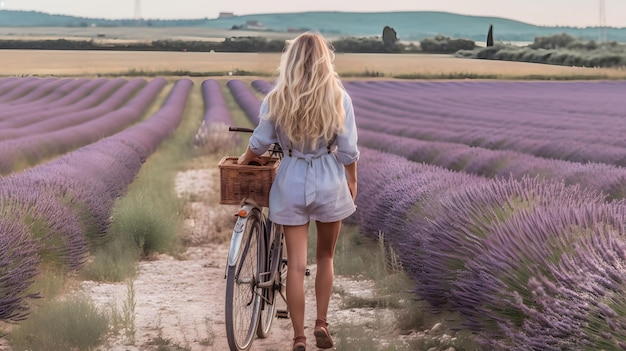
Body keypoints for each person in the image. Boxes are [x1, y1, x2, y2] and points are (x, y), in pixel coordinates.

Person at [237, 32, 359, 351]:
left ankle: (299, 337)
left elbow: (260, 142)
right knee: (326, 257)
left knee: (295, 264)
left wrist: (245, 159)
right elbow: (348, 151)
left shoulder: (278, 97)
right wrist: (353, 181)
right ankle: (321, 322)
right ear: (324, 58)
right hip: (329, 180)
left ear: (290, 61)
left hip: (291, 179)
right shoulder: (339, 97)